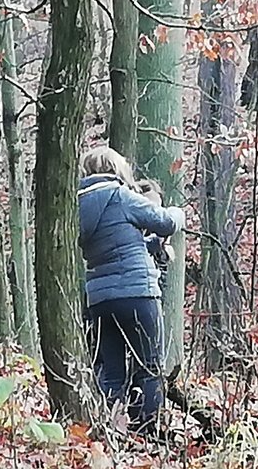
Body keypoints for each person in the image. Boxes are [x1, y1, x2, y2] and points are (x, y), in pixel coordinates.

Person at [79, 146, 185, 432]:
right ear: (116, 169)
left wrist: (148, 245)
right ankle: (146, 433)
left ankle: (111, 430)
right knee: (149, 367)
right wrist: (178, 213)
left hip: (99, 298)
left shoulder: (76, 206)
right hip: (137, 292)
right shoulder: (119, 195)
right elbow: (165, 223)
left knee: (111, 372)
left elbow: (113, 244)